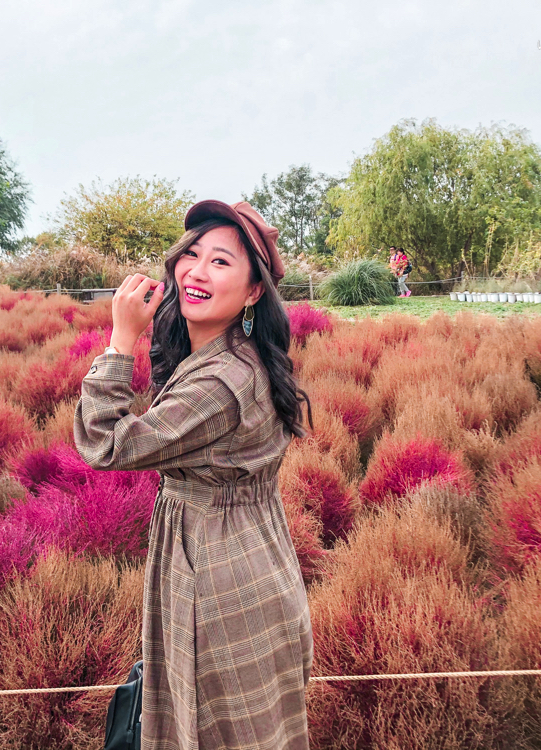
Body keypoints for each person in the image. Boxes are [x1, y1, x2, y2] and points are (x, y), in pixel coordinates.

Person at [74, 200, 315, 750]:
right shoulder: (233, 355)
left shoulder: (221, 382)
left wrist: (119, 341)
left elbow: (106, 443)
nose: (196, 271)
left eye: (221, 262)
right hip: (242, 566)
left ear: (254, 292)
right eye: (192, 254)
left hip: (219, 587)